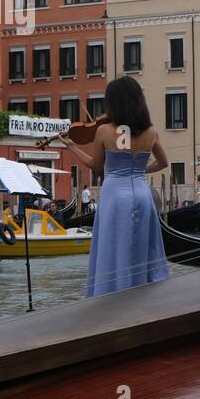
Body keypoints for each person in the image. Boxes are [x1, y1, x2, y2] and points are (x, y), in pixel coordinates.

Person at [60, 75, 170, 298]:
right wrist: (139, 171)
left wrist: (71, 145)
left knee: (113, 244)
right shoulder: (151, 132)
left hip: (115, 194)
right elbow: (163, 163)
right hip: (141, 193)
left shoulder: (104, 131)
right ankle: (141, 290)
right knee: (140, 244)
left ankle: (113, 292)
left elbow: (95, 165)